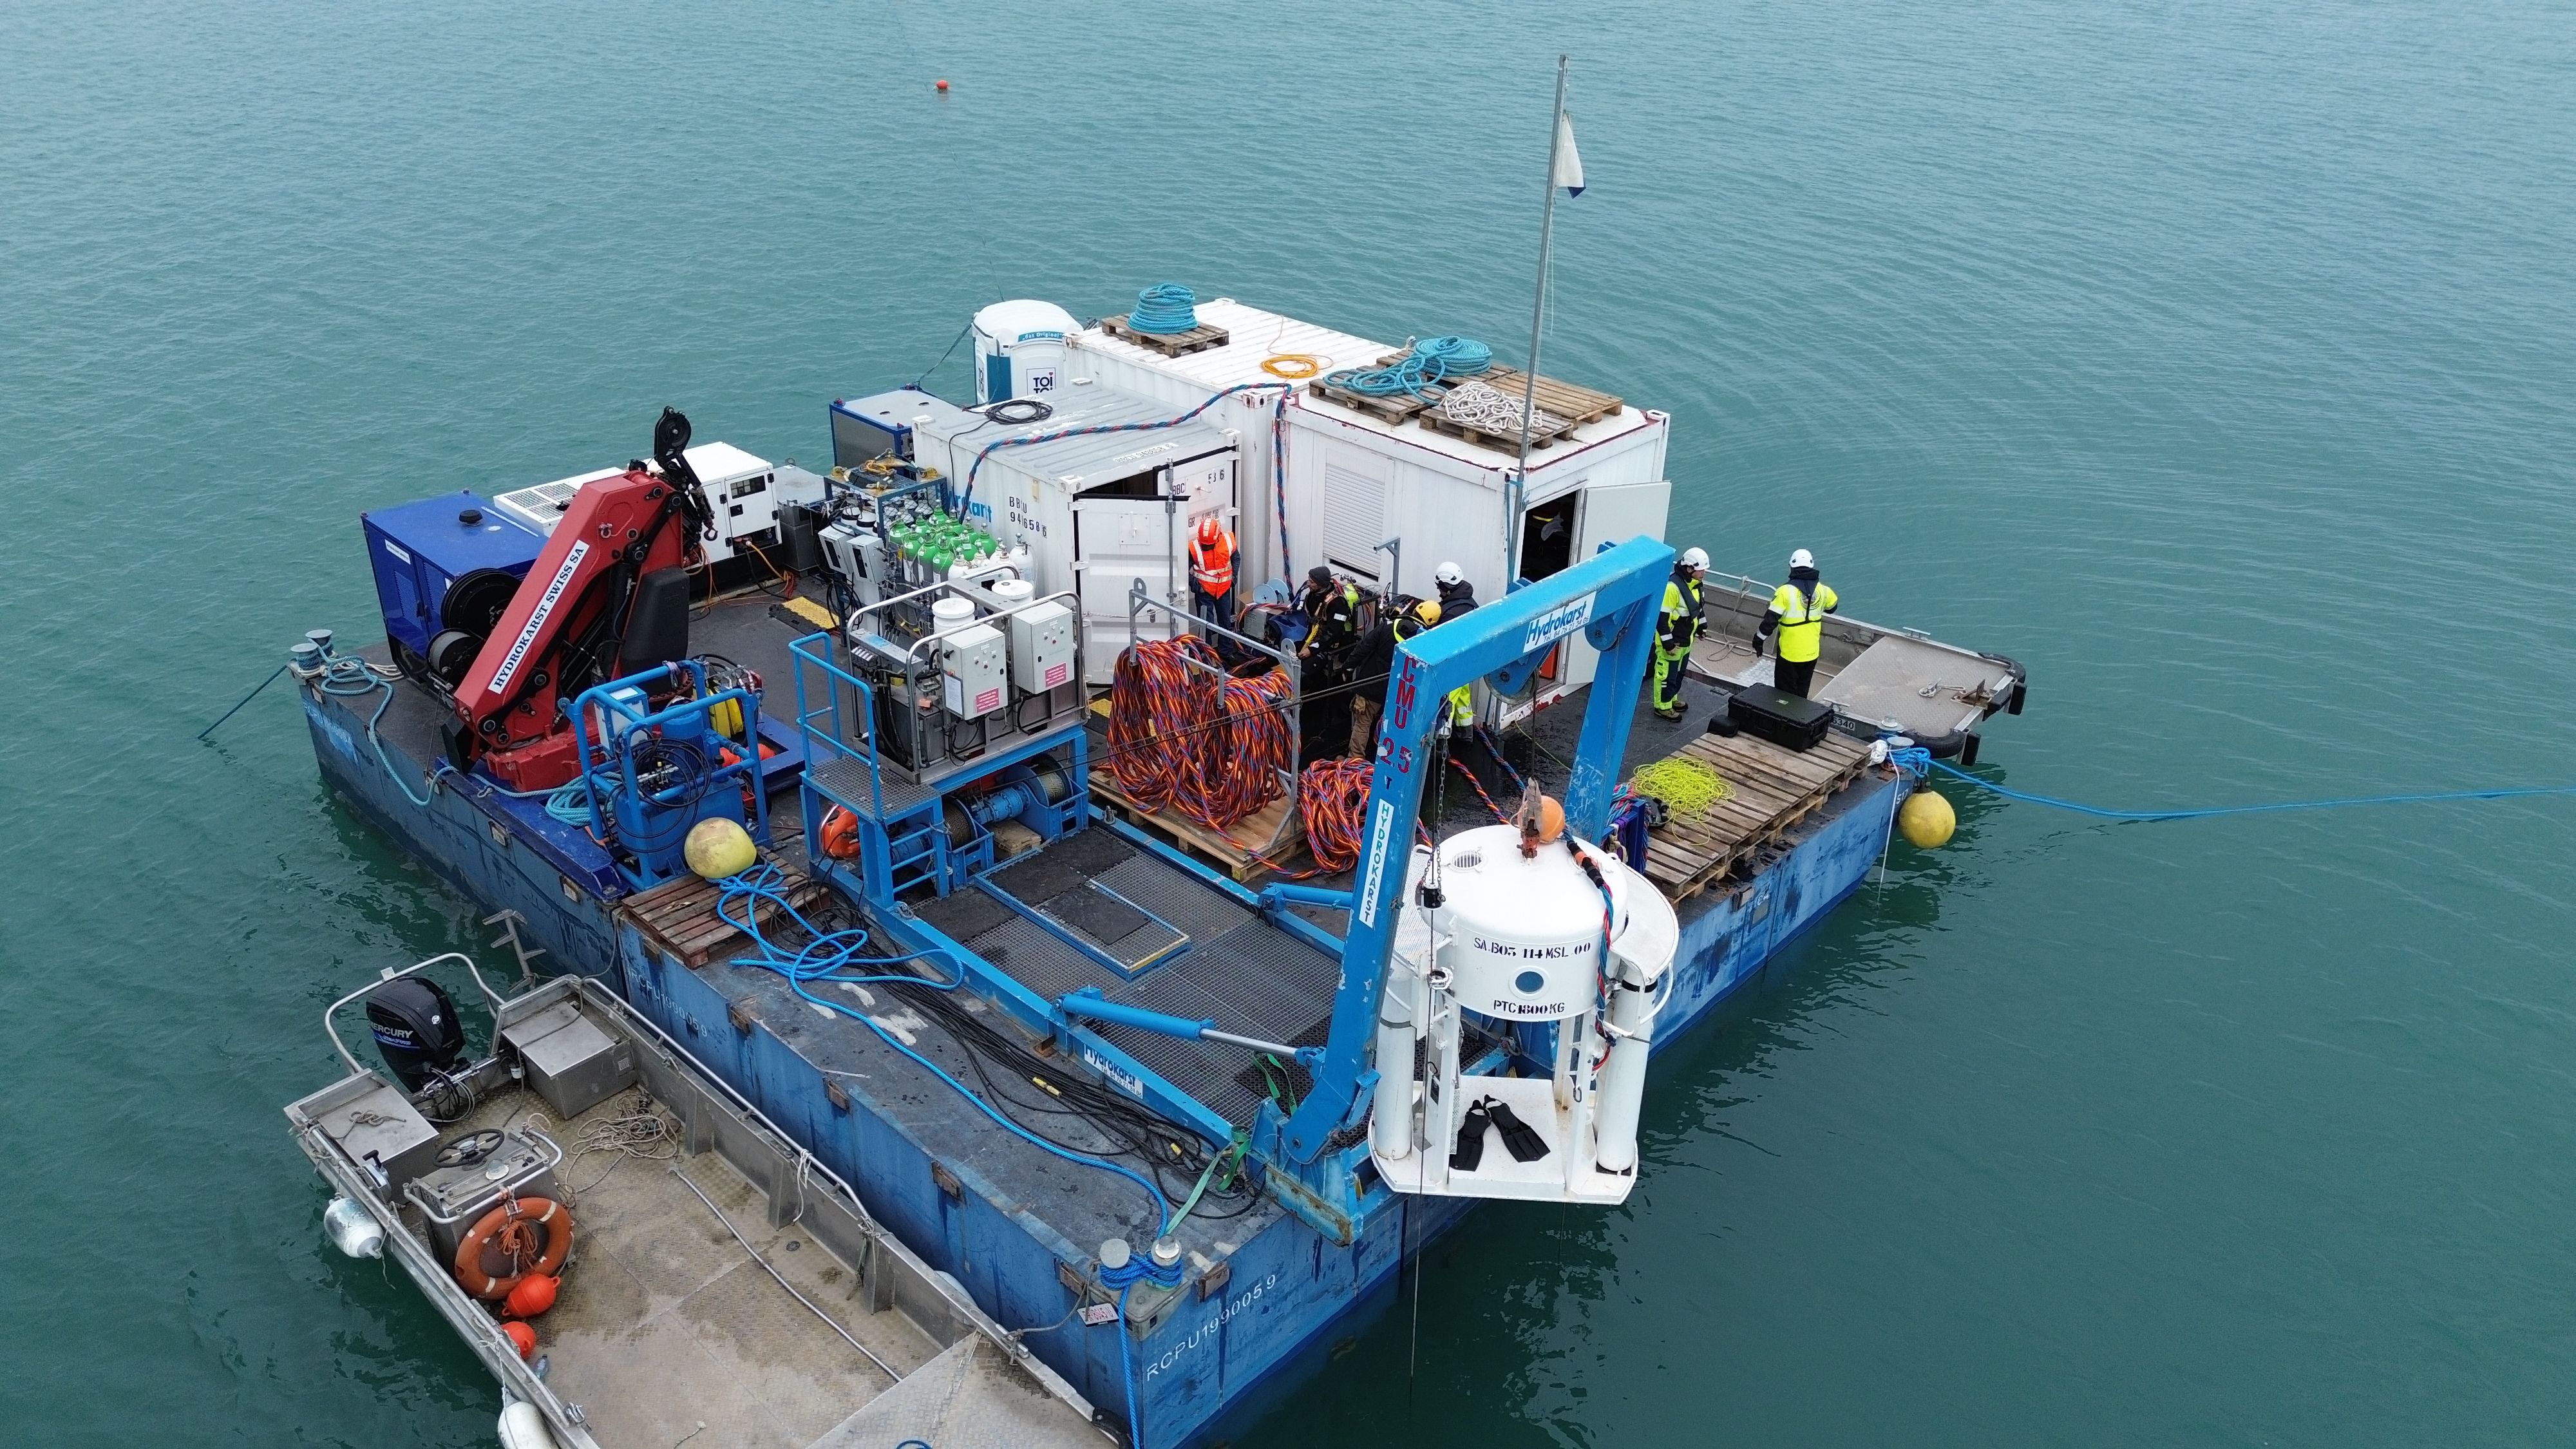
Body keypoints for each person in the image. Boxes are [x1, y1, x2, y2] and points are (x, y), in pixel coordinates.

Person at [1345, 600, 1435, 759]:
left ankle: (1355, 759)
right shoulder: (1425, 640)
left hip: (1371, 686)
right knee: (1393, 725)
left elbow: (1364, 648)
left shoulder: (1389, 626)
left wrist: (1348, 666)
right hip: (1400, 691)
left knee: (1362, 723)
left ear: (1415, 611)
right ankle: (1387, 757)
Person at [1295, 565, 1362, 759]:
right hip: (1315, 638)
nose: (1308, 584)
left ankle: (1307, 705)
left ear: (1322, 584)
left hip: (1334, 647)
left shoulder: (1338, 604)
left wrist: (1312, 650)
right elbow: (1314, 623)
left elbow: (1333, 633)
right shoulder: (1314, 597)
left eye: (1312, 582)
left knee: (1306, 670)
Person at [1757, 547, 1838, 698]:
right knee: (1802, 692)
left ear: (1791, 567)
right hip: (1811, 652)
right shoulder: (1824, 590)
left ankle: (1784, 719)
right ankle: (1799, 719)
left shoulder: (1784, 592)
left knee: (1783, 694)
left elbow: (1770, 621)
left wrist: (1759, 640)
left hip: (1789, 653)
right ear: (1812, 566)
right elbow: (1832, 608)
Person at [1652, 546, 1710, 719]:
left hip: (1686, 640)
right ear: (1689, 568)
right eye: (1701, 570)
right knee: (1666, 676)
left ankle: (1671, 699)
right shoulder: (1672, 588)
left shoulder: (1696, 585)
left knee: (1678, 674)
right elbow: (1661, 620)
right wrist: (1668, 644)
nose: (1704, 573)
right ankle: (1662, 706)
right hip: (1673, 642)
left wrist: (1701, 627)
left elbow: (1697, 609)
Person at [1187, 515, 1236, 636]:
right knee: (1205, 625)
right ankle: (1206, 653)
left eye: (1208, 545)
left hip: (1224, 590)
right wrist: (1196, 586)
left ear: (1218, 538)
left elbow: (1236, 559)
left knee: (1225, 624)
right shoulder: (1194, 547)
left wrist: (1233, 579)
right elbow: (1184, 568)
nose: (1206, 547)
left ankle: (1226, 652)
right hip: (1204, 592)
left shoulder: (1228, 541)